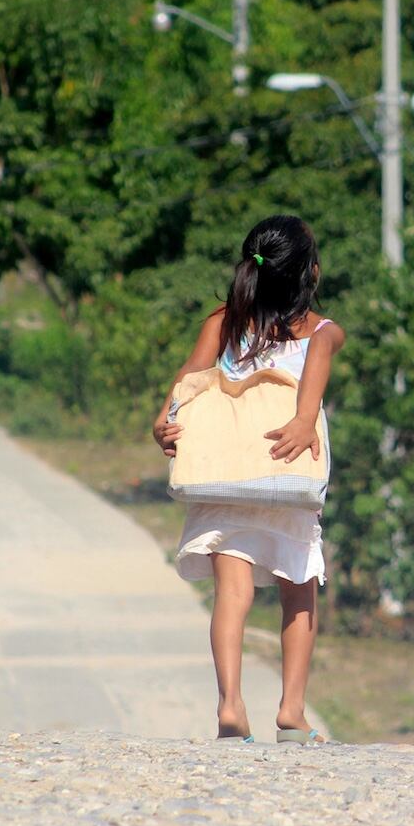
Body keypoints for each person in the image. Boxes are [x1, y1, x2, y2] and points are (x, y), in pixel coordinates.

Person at [152, 215, 346, 744]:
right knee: (298, 591)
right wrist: (304, 424)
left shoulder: (224, 321)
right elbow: (306, 411)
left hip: (222, 476)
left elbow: (188, 382)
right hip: (284, 476)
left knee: (231, 594)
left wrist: (165, 421)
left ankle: (231, 707)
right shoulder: (324, 333)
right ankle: (292, 712)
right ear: (311, 272)